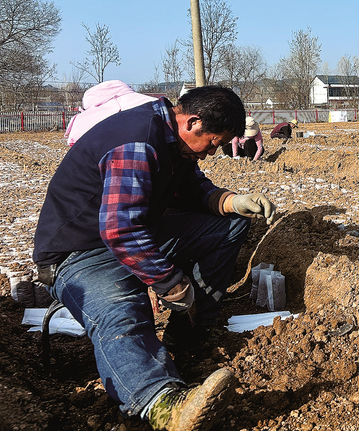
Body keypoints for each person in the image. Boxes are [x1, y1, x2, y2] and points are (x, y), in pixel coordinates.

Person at [33, 86, 277, 430]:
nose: (211, 153)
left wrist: (231, 202)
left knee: (230, 225)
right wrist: (168, 281)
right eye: (213, 143)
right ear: (193, 122)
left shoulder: (172, 139)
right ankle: (162, 404)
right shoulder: (137, 142)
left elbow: (192, 189)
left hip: (130, 233)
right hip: (79, 252)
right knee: (123, 312)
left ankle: (190, 332)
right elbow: (120, 230)